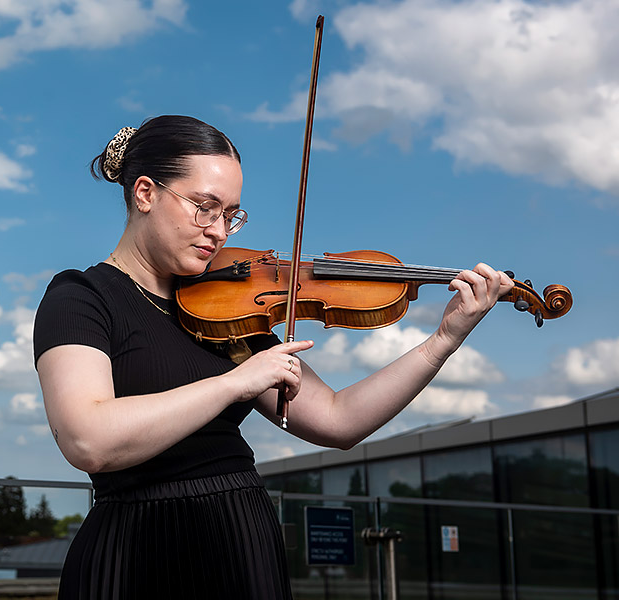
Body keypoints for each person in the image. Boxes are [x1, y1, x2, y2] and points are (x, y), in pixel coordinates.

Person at [33, 115, 513, 599]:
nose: (219, 231)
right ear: (145, 193)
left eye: (231, 214)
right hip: (136, 553)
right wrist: (234, 383)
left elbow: (337, 420)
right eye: (205, 207)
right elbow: (87, 438)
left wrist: (443, 341)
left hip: (240, 543)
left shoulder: (224, 305)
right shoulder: (82, 297)